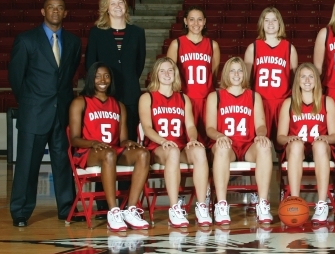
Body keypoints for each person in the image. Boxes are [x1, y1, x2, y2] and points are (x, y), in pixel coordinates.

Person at [9, 0, 82, 227]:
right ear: (43, 11)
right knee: (27, 165)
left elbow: (68, 75)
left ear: (65, 13)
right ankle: (20, 211)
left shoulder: (72, 42)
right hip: (34, 113)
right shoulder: (26, 40)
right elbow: (16, 79)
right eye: (50, 7)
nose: (55, 11)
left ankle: (67, 209)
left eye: (60, 8)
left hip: (61, 113)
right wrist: (31, 102)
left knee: (63, 163)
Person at [69, 62, 150, 231]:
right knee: (109, 154)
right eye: (97, 76)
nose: (102, 80)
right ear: (91, 78)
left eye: (106, 76)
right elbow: (74, 139)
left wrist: (128, 143)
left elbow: (122, 139)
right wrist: (93, 143)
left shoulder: (119, 105)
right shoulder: (80, 102)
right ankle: (113, 211)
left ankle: (130, 209)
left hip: (112, 150)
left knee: (143, 153)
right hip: (88, 151)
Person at [86, 0, 146, 213]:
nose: (118, 6)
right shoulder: (97, 33)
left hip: (130, 97)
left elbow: (138, 65)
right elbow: (92, 64)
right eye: (113, 3)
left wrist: (126, 82)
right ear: (106, 8)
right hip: (104, 99)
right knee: (105, 147)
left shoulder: (137, 32)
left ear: (126, 6)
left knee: (127, 146)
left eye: (120, 2)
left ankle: (126, 202)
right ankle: (104, 202)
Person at [139, 57, 211, 227]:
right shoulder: (147, 97)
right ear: (156, 74)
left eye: (170, 70)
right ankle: (174, 208)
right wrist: (163, 141)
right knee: (172, 152)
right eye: (162, 70)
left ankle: (201, 206)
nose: (166, 74)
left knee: (200, 151)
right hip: (158, 147)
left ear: (175, 74)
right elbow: (147, 128)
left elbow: (191, 125)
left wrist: (193, 139)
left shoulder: (183, 98)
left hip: (180, 145)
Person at [206, 57, 274, 225]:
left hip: (248, 145)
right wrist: (219, 136)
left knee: (265, 147)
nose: (236, 74)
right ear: (225, 74)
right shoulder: (215, 96)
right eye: (232, 70)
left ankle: (263, 203)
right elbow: (210, 128)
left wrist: (261, 135)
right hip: (226, 145)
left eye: (240, 70)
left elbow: (261, 125)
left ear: (245, 73)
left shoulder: (253, 96)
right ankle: (221, 205)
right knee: (221, 149)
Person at [276, 63, 335, 224]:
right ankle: (295, 200)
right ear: (297, 81)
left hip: (320, 149)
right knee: (296, 145)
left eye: (311, 76)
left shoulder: (327, 102)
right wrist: (289, 139)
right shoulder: (289, 103)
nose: (307, 80)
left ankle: (322, 203)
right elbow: (280, 137)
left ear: (317, 80)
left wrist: (325, 139)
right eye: (303, 76)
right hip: (298, 149)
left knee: (319, 145)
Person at [167, 6, 220, 145]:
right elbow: (169, 74)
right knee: (186, 141)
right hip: (185, 100)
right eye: (191, 19)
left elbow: (213, 75)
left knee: (208, 142)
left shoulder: (212, 45)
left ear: (204, 22)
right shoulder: (176, 44)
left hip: (206, 100)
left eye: (199, 19)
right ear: (185, 21)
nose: (196, 23)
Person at [244, 7, 298, 146]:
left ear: (280, 23)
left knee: (284, 146)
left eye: (274, 20)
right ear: (261, 23)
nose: (270, 23)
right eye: (266, 20)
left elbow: (295, 82)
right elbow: (246, 82)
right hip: (260, 104)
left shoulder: (289, 48)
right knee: (260, 144)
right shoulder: (253, 48)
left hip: (283, 102)